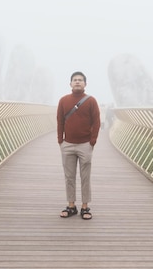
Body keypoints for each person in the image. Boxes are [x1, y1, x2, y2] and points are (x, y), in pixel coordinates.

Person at [57, 71, 101, 220]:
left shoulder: (91, 101)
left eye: (80, 80)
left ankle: (85, 206)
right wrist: (60, 140)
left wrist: (92, 141)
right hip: (67, 144)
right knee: (69, 177)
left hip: (85, 145)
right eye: (75, 80)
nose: (77, 82)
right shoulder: (63, 100)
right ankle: (71, 206)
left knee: (85, 177)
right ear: (70, 84)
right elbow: (60, 121)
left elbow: (96, 122)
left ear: (85, 84)